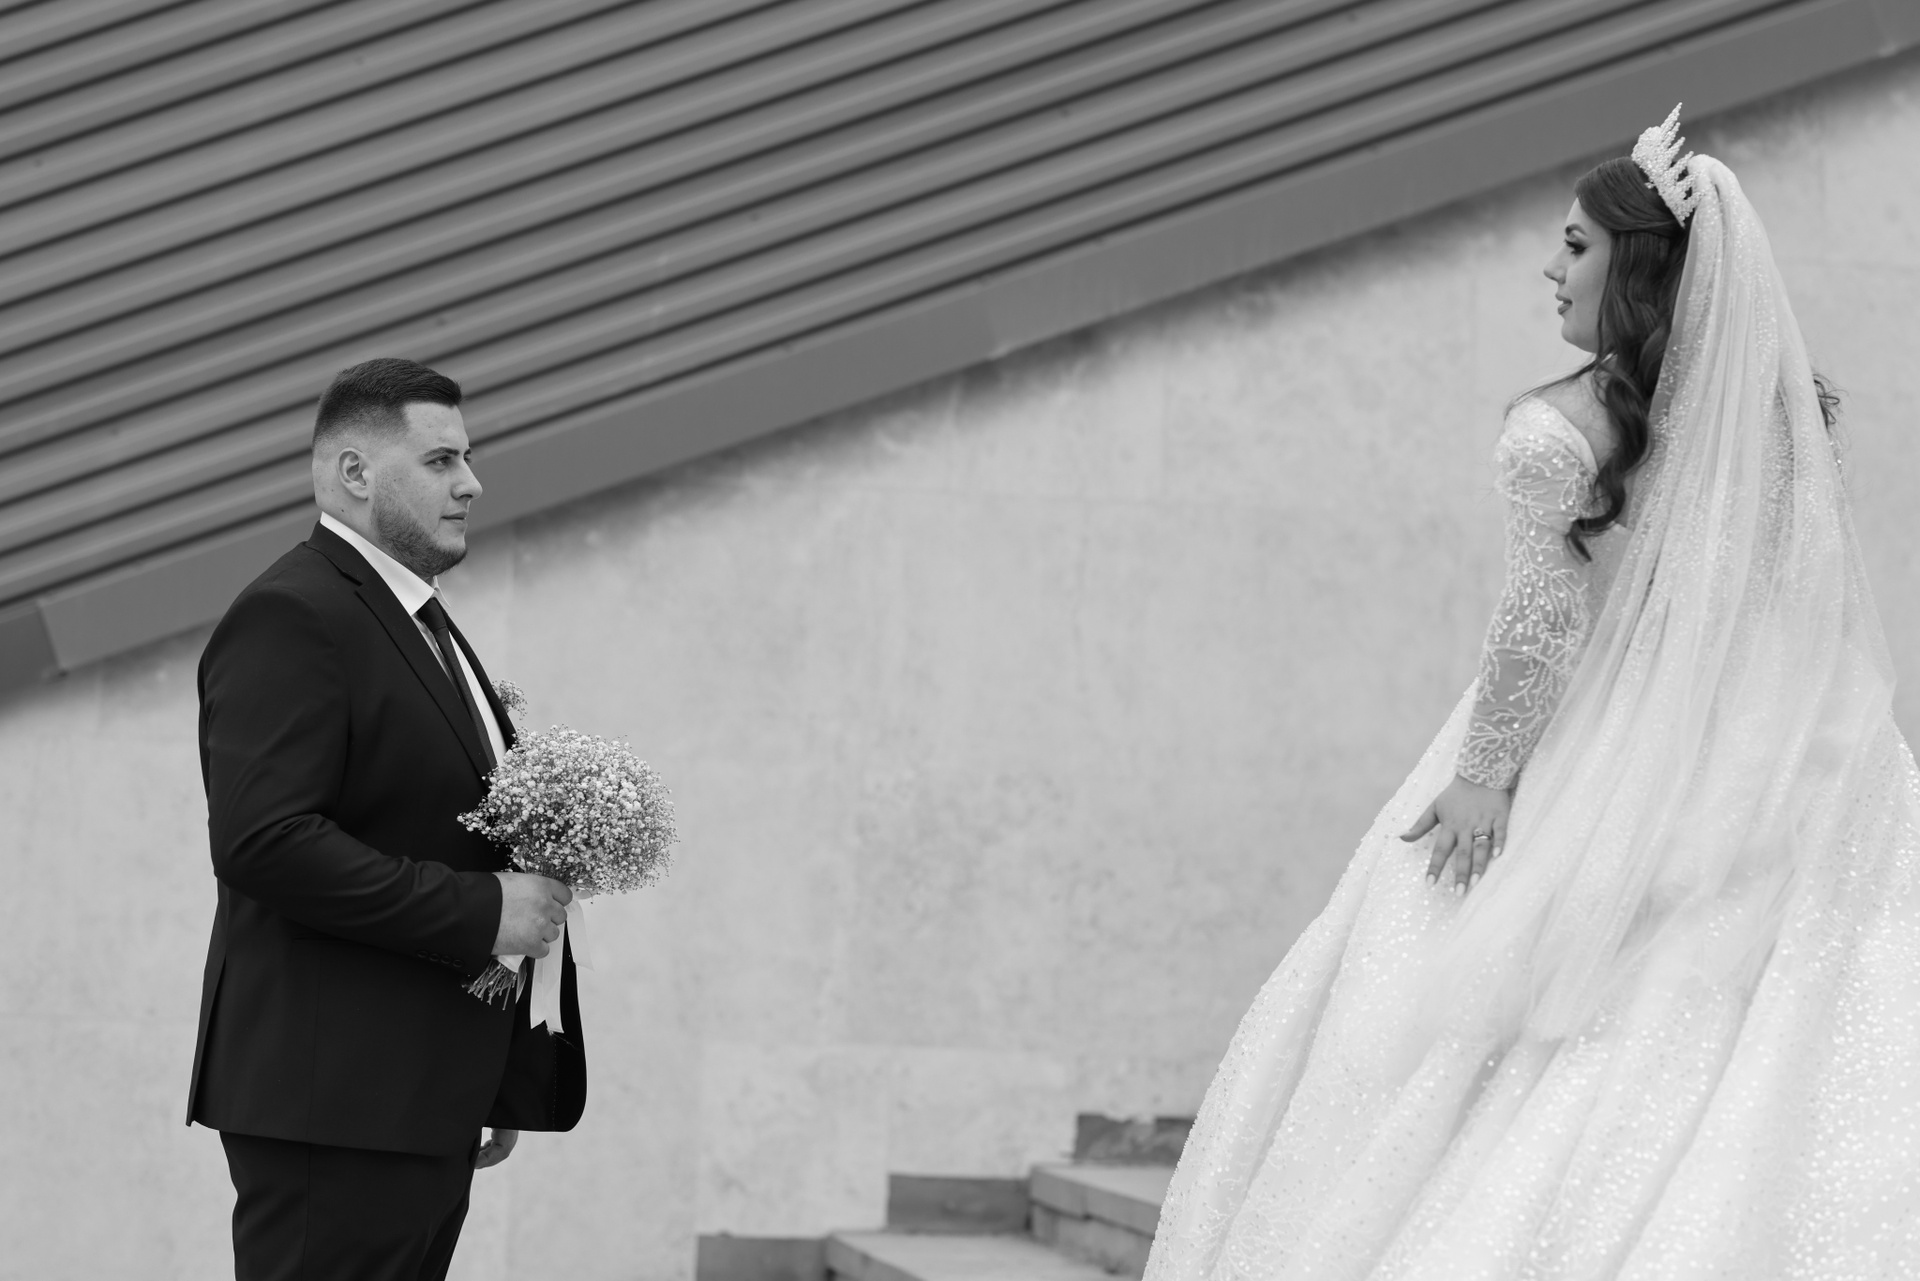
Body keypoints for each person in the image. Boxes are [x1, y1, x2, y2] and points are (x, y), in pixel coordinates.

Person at [1144, 108, 1920, 1279]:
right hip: (1786, 738)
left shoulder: (1560, 431)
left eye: (1574, 245)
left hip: (1612, 738)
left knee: (1504, 1017)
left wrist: (1484, 776)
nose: (1550, 268)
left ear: (1638, 268)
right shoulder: (1772, 416)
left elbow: (1541, 625)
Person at [187, 358, 587, 1280]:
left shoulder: (413, 618)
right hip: (337, 1108)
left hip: (412, 1101)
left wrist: (487, 1073)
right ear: (355, 473)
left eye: (467, 458)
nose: (471, 483)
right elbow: (263, 841)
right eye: (441, 460)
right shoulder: (293, 612)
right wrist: (486, 910)